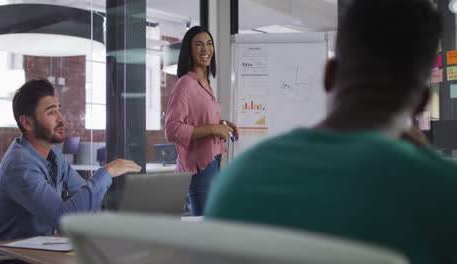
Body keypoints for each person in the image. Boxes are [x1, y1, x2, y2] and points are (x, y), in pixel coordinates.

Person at [205, 1, 457, 263]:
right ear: (422, 101)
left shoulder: (238, 179)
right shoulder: (445, 194)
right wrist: (429, 165)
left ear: (329, 75)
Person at [0, 79, 141, 242]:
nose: (61, 119)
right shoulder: (19, 165)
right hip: (12, 257)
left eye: (59, 110)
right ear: (27, 123)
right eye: (51, 112)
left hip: (45, 249)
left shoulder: (54, 156)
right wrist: (106, 173)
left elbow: (83, 196)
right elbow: (65, 218)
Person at [165, 26, 239, 216]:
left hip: (213, 162)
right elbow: (172, 129)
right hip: (199, 169)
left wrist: (221, 125)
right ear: (189, 50)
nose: (205, 49)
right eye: (198, 44)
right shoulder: (185, 84)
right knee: (207, 229)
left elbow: (198, 120)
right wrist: (213, 128)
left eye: (209, 44)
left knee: (213, 226)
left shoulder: (205, 83)